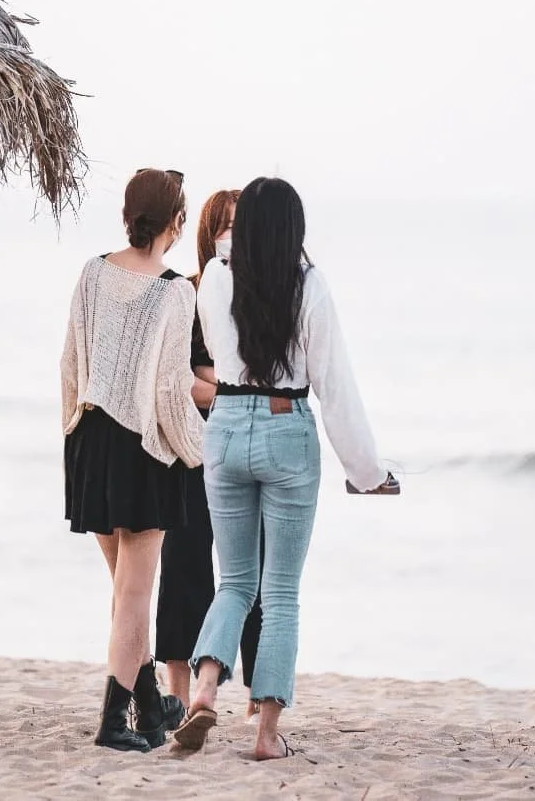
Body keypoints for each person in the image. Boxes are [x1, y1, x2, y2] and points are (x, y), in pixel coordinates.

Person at [174, 177, 399, 760]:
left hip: (224, 427)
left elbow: (223, 337)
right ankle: (267, 736)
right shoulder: (311, 285)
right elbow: (334, 384)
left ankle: (202, 691)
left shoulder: (217, 278)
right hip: (286, 428)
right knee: (280, 593)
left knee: (235, 583)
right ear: (294, 229)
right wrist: (366, 470)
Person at [61, 168, 203, 753]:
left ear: (127, 215)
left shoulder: (93, 273)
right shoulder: (176, 290)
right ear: (177, 221)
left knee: (124, 592)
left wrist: (73, 434)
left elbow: (70, 363)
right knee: (135, 596)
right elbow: (171, 390)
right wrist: (198, 452)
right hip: (144, 449)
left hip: (90, 441)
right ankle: (112, 724)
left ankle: (150, 706)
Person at [155, 189, 263, 720]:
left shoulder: (264, 294)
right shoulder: (188, 291)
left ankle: (258, 692)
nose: (234, 235)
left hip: (247, 443)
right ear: (208, 231)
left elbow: (261, 372)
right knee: (184, 561)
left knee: (253, 569)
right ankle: (178, 685)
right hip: (191, 445)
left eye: (244, 224)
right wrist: (229, 387)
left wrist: (217, 381)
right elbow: (178, 379)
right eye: (227, 224)